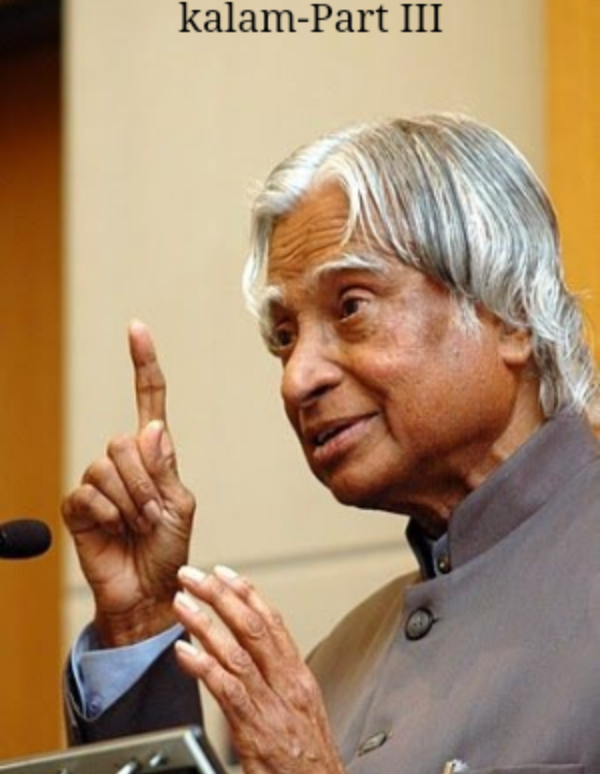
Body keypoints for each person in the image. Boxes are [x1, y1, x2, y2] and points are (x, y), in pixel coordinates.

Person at [63, 114, 600, 774]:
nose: (297, 379)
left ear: (510, 314)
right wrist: (140, 622)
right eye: (285, 338)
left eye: (350, 307)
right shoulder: (325, 674)